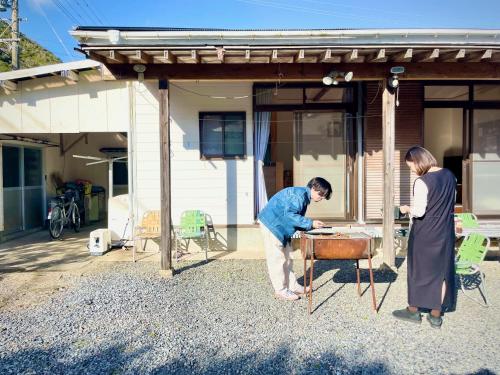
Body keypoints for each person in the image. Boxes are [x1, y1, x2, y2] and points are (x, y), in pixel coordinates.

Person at [392, 146, 457, 328]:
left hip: (426, 232)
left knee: (418, 270)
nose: (412, 170)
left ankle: (413, 310)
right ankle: (436, 315)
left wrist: (406, 209)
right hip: (445, 230)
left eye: (410, 166)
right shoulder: (450, 175)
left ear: (417, 161)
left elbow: (420, 212)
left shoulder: (422, 181)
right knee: (441, 271)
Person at [258, 177, 332, 301]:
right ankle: (281, 290)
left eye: (324, 196)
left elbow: (290, 215)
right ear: (313, 188)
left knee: (287, 258)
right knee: (277, 259)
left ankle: (293, 286)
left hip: (278, 225)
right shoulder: (299, 196)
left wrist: (310, 224)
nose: (322, 197)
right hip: (272, 224)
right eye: (321, 194)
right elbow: (290, 215)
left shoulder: (301, 194)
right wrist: (311, 223)